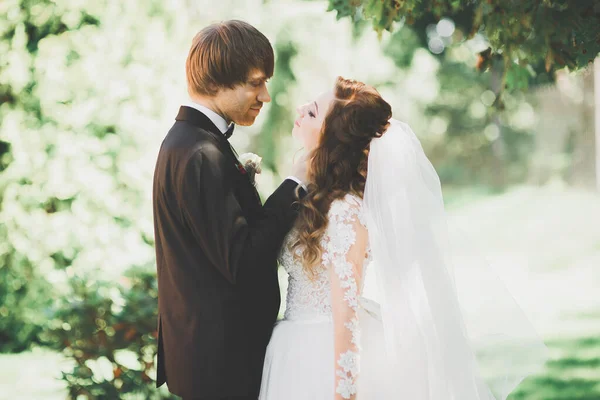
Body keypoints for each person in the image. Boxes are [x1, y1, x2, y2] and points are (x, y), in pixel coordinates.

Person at [258, 76, 548, 399]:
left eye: (312, 112)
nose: (300, 109)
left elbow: (345, 317)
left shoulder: (345, 212)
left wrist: (344, 393)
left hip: (324, 356)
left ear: (332, 140)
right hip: (290, 347)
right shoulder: (309, 196)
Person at [152, 20, 307, 400]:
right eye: (256, 82)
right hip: (221, 367)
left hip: (212, 357)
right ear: (216, 82)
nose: (265, 96)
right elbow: (243, 258)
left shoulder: (189, 142)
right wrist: (293, 186)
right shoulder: (200, 152)